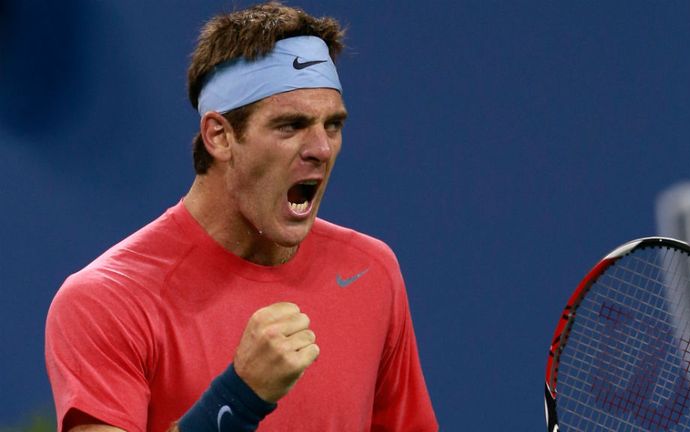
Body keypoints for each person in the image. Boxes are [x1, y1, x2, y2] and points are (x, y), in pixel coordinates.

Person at [44, 3, 438, 431]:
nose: (321, 149)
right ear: (220, 136)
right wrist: (239, 397)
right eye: (291, 125)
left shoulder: (371, 272)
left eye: (333, 125)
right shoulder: (107, 302)